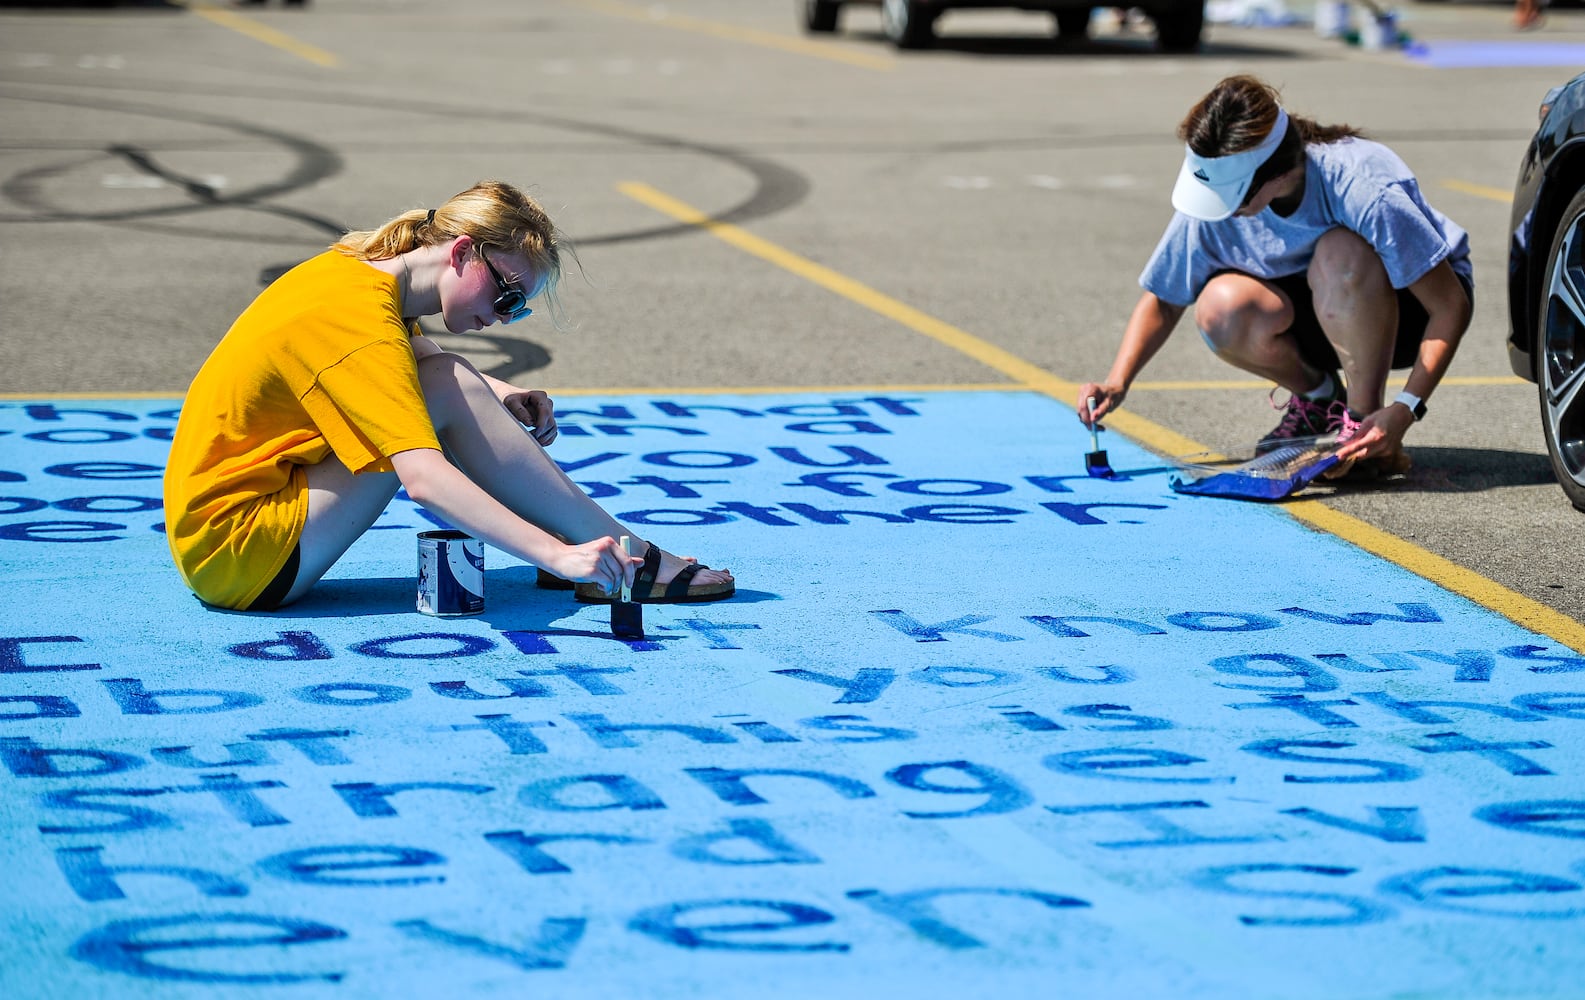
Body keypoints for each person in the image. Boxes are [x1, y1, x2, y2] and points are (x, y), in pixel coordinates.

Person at [163, 180, 734, 611]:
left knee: (451, 378)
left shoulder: (357, 276)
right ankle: (609, 551)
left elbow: (421, 364)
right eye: (508, 295)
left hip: (220, 538)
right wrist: (553, 556)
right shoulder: (356, 324)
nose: (507, 317)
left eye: (519, 306)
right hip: (242, 556)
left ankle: (599, 542)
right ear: (462, 252)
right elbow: (424, 482)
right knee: (448, 387)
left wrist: (499, 391)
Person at [1077, 75, 1472, 480]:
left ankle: (1363, 422)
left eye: (1234, 198)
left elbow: (1449, 304)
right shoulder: (1219, 197)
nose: (1223, 211)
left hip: (1411, 312)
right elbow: (1164, 297)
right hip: (1322, 316)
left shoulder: (1361, 187)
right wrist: (1117, 381)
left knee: (1340, 252)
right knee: (1220, 306)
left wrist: (1406, 408)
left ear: (1278, 175)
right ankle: (1319, 400)